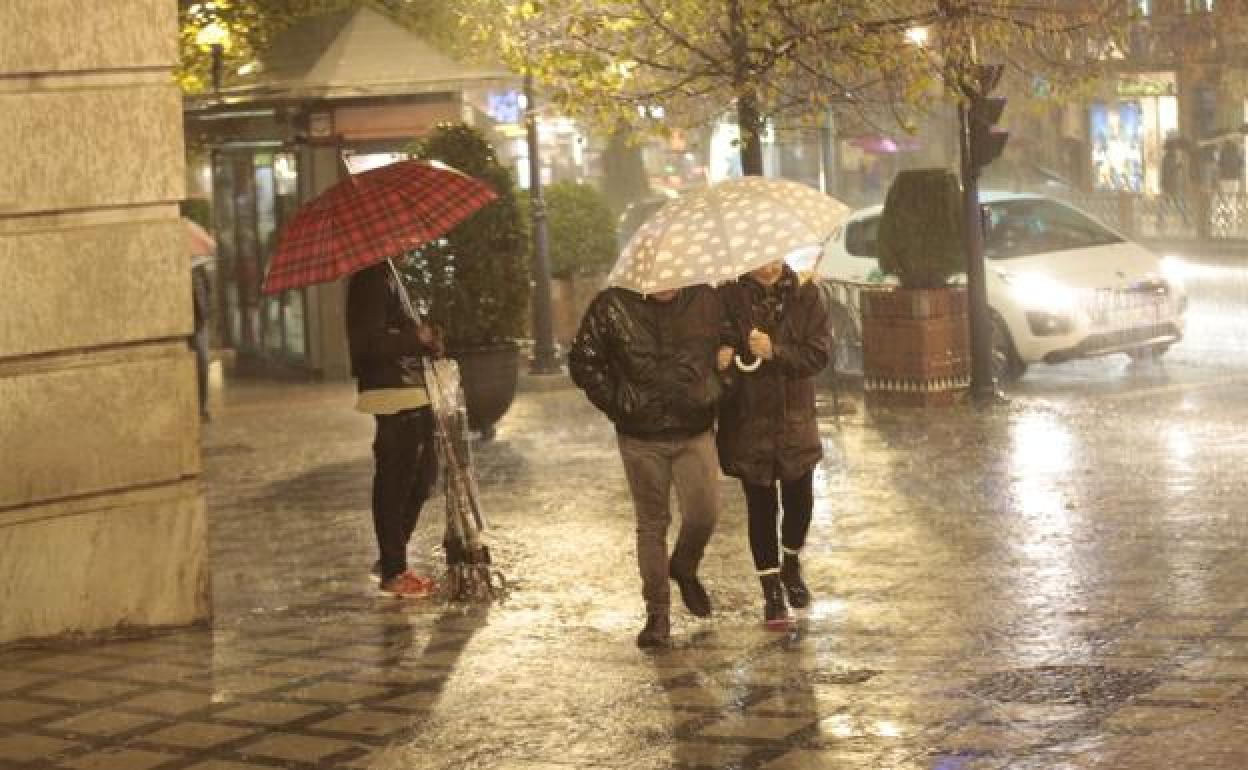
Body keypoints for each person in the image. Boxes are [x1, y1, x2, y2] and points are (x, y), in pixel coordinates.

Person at [568, 284, 724, 648]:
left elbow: (728, 344)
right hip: (640, 436)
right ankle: (657, 613)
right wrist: (619, 402)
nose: (665, 284)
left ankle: (684, 566)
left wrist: (720, 380)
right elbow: (583, 360)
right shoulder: (612, 304)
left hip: (694, 428)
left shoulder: (705, 299)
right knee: (652, 524)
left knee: (704, 514)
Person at [715, 260, 831, 629]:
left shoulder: (806, 295)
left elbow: (818, 353)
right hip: (749, 421)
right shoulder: (728, 297)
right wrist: (724, 358)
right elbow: (714, 346)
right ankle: (771, 592)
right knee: (760, 507)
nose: (766, 265)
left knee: (800, 502)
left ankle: (791, 560)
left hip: (795, 420)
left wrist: (775, 351)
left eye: (773, 256)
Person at [346, 260, 443, 598]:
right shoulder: (369, 278)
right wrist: (415, 337)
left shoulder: (389, 272)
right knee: (396, 480)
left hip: (411, 387)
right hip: (390, 391)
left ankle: (392, 556)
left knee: (423, 478)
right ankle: (394, 569)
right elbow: (368, 345)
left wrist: (426, 342)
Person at [190, 257, 213, 422]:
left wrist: (206, 312)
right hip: (182, 322)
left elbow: (208, 290)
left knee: (203, 361)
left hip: (200, 321)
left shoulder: (198, 267)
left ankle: (202, 406)